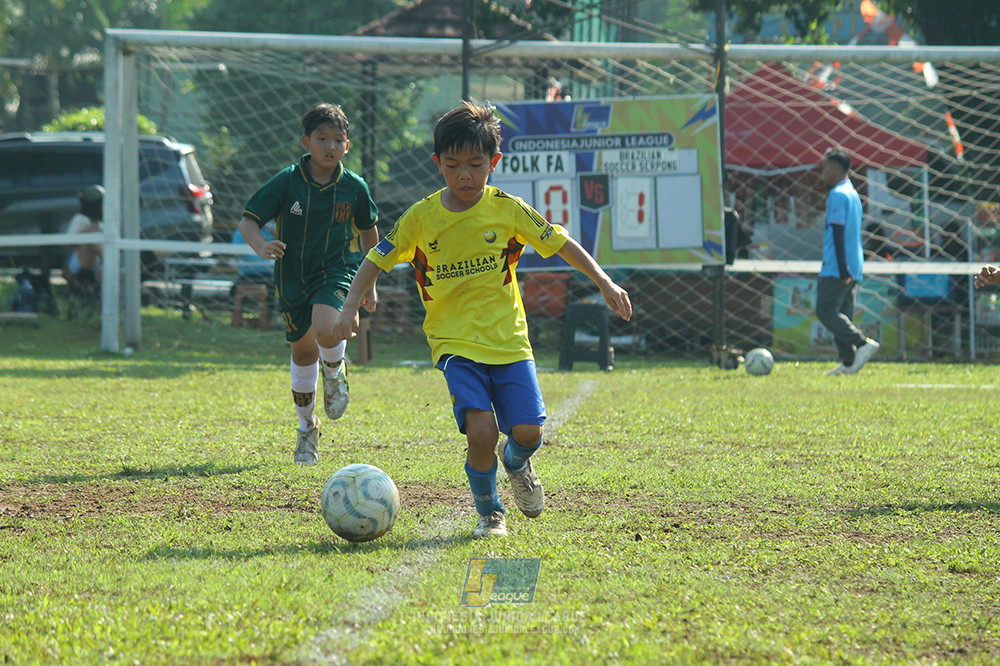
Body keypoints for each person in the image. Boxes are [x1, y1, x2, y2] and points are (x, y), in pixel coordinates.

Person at [332, 101, 632, 539]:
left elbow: (561, 242)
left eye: (476, 164)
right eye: (453, 166)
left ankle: (518, 463)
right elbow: (376, 258)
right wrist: (349, 306)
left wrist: (603, 281)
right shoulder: (421, 217)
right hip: (453, 343)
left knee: (527, 432)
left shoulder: (507, 209)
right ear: (438, 164)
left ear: (494, 162)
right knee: (481, 428)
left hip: (508, 341)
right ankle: (491, 512)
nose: (465, 176)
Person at [238, 103, 379, 466]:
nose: (330, 146)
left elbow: (369, 233)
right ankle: (306, 429)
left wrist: (370, 284)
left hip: (336, 271)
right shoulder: (287, 181)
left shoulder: (354, 187)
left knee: (327, 328)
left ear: (347, 146)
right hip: (291, 279)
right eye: (322, 139)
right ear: (306, 141)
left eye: (338, 140)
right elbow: (248, 222)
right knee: (302, 354)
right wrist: (260, 245)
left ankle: (334, 373)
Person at [816, 147, 880, 376]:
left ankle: (862, 344)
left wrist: (841, 267)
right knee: (843, 312)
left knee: (825, 310)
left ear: (835, 168)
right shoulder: (852, 193)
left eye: (825, 167)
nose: (823, 172)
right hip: (855, 261)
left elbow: (838, 231)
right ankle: (848, 362)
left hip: (837, 264)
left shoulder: (837, 194)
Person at [62, 185, 104, 301]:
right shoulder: (80, 219)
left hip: (98, 264)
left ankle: (104, 304)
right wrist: (86, 231)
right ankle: (115, 260)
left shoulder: (104, 222)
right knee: (91, 237)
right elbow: (68, 243)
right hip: (80, 262)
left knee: (105, 270)